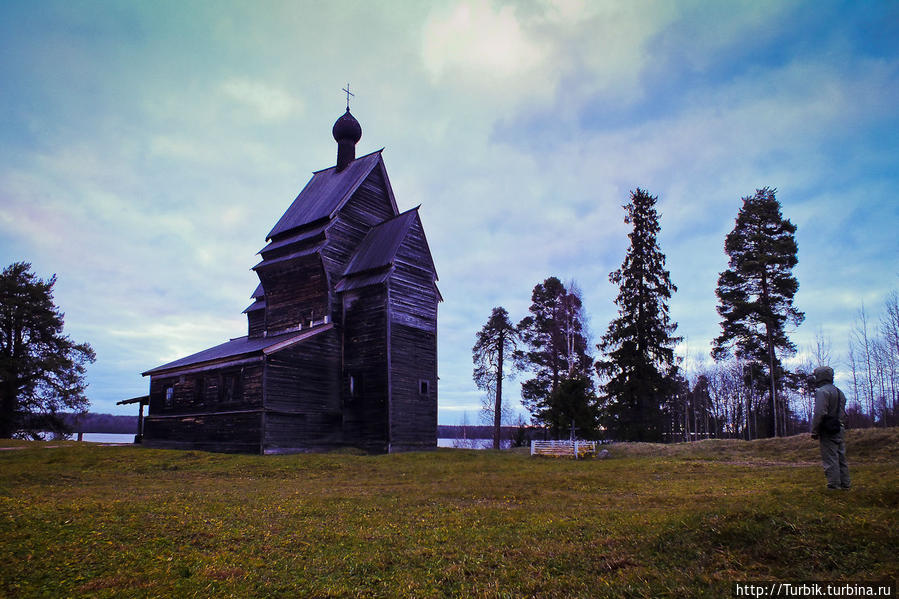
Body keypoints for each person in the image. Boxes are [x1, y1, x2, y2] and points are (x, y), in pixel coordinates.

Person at [810, 366, 850, 490]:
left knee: (830, 458)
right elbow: (843, 413)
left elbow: (819, 413)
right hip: (839, 428)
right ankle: (845, 485)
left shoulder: (822, 392)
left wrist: (815, 430)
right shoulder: (839, 392)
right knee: (841, 458)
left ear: (820, 377)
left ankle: (834, 486)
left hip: (827, 430)